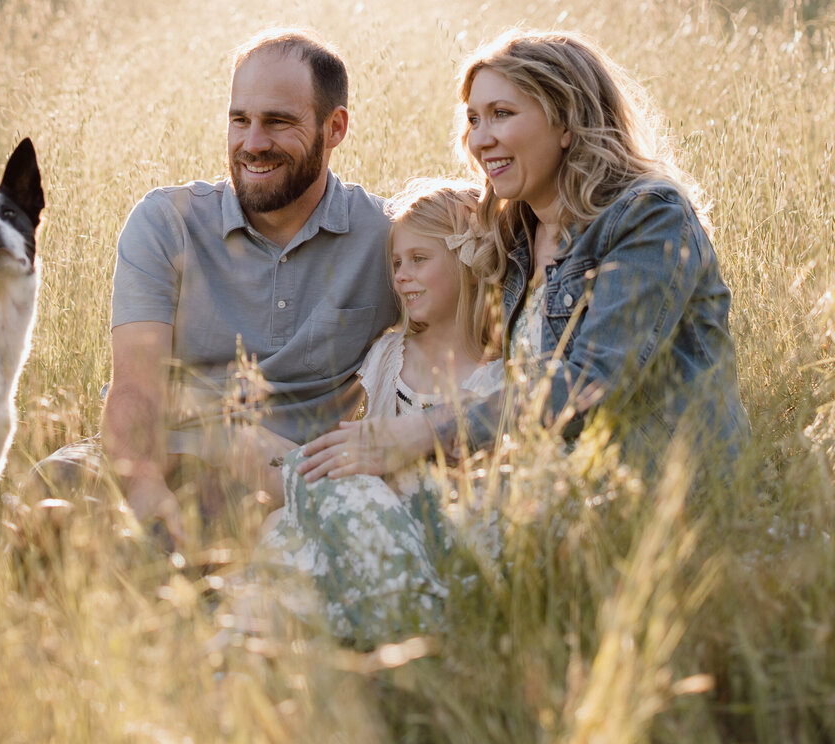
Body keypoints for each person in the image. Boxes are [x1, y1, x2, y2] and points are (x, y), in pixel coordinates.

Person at [300, 30, 750, 491]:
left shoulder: (647, 216)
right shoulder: (514, 229)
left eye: (502, 114)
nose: (481, 139)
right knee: (333, 499)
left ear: (566, 122)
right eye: (474, 119)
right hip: (542, 493)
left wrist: (423, 430)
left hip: (653, 497)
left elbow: (590, 386)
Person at [30, 28, 399, 544]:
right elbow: (135, 383)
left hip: (281, 476)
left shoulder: (385, 237)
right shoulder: (167, 221)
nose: (252, 143)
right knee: (47, 490)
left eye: (278, 122)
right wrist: (143, 487)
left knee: (180, 534)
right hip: (155, 452)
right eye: (239, 120)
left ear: (334, 128)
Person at [242, 180, 500, 647]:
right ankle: (264, 641)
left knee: (301, 500)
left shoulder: (494, 375)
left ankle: (407, 626)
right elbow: (357, 428)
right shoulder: (389, 353)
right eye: (397, 263)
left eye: (420, 260)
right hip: (363, 512)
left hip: (438, 522)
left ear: (468, 262)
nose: (402, 276)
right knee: (279, 526)